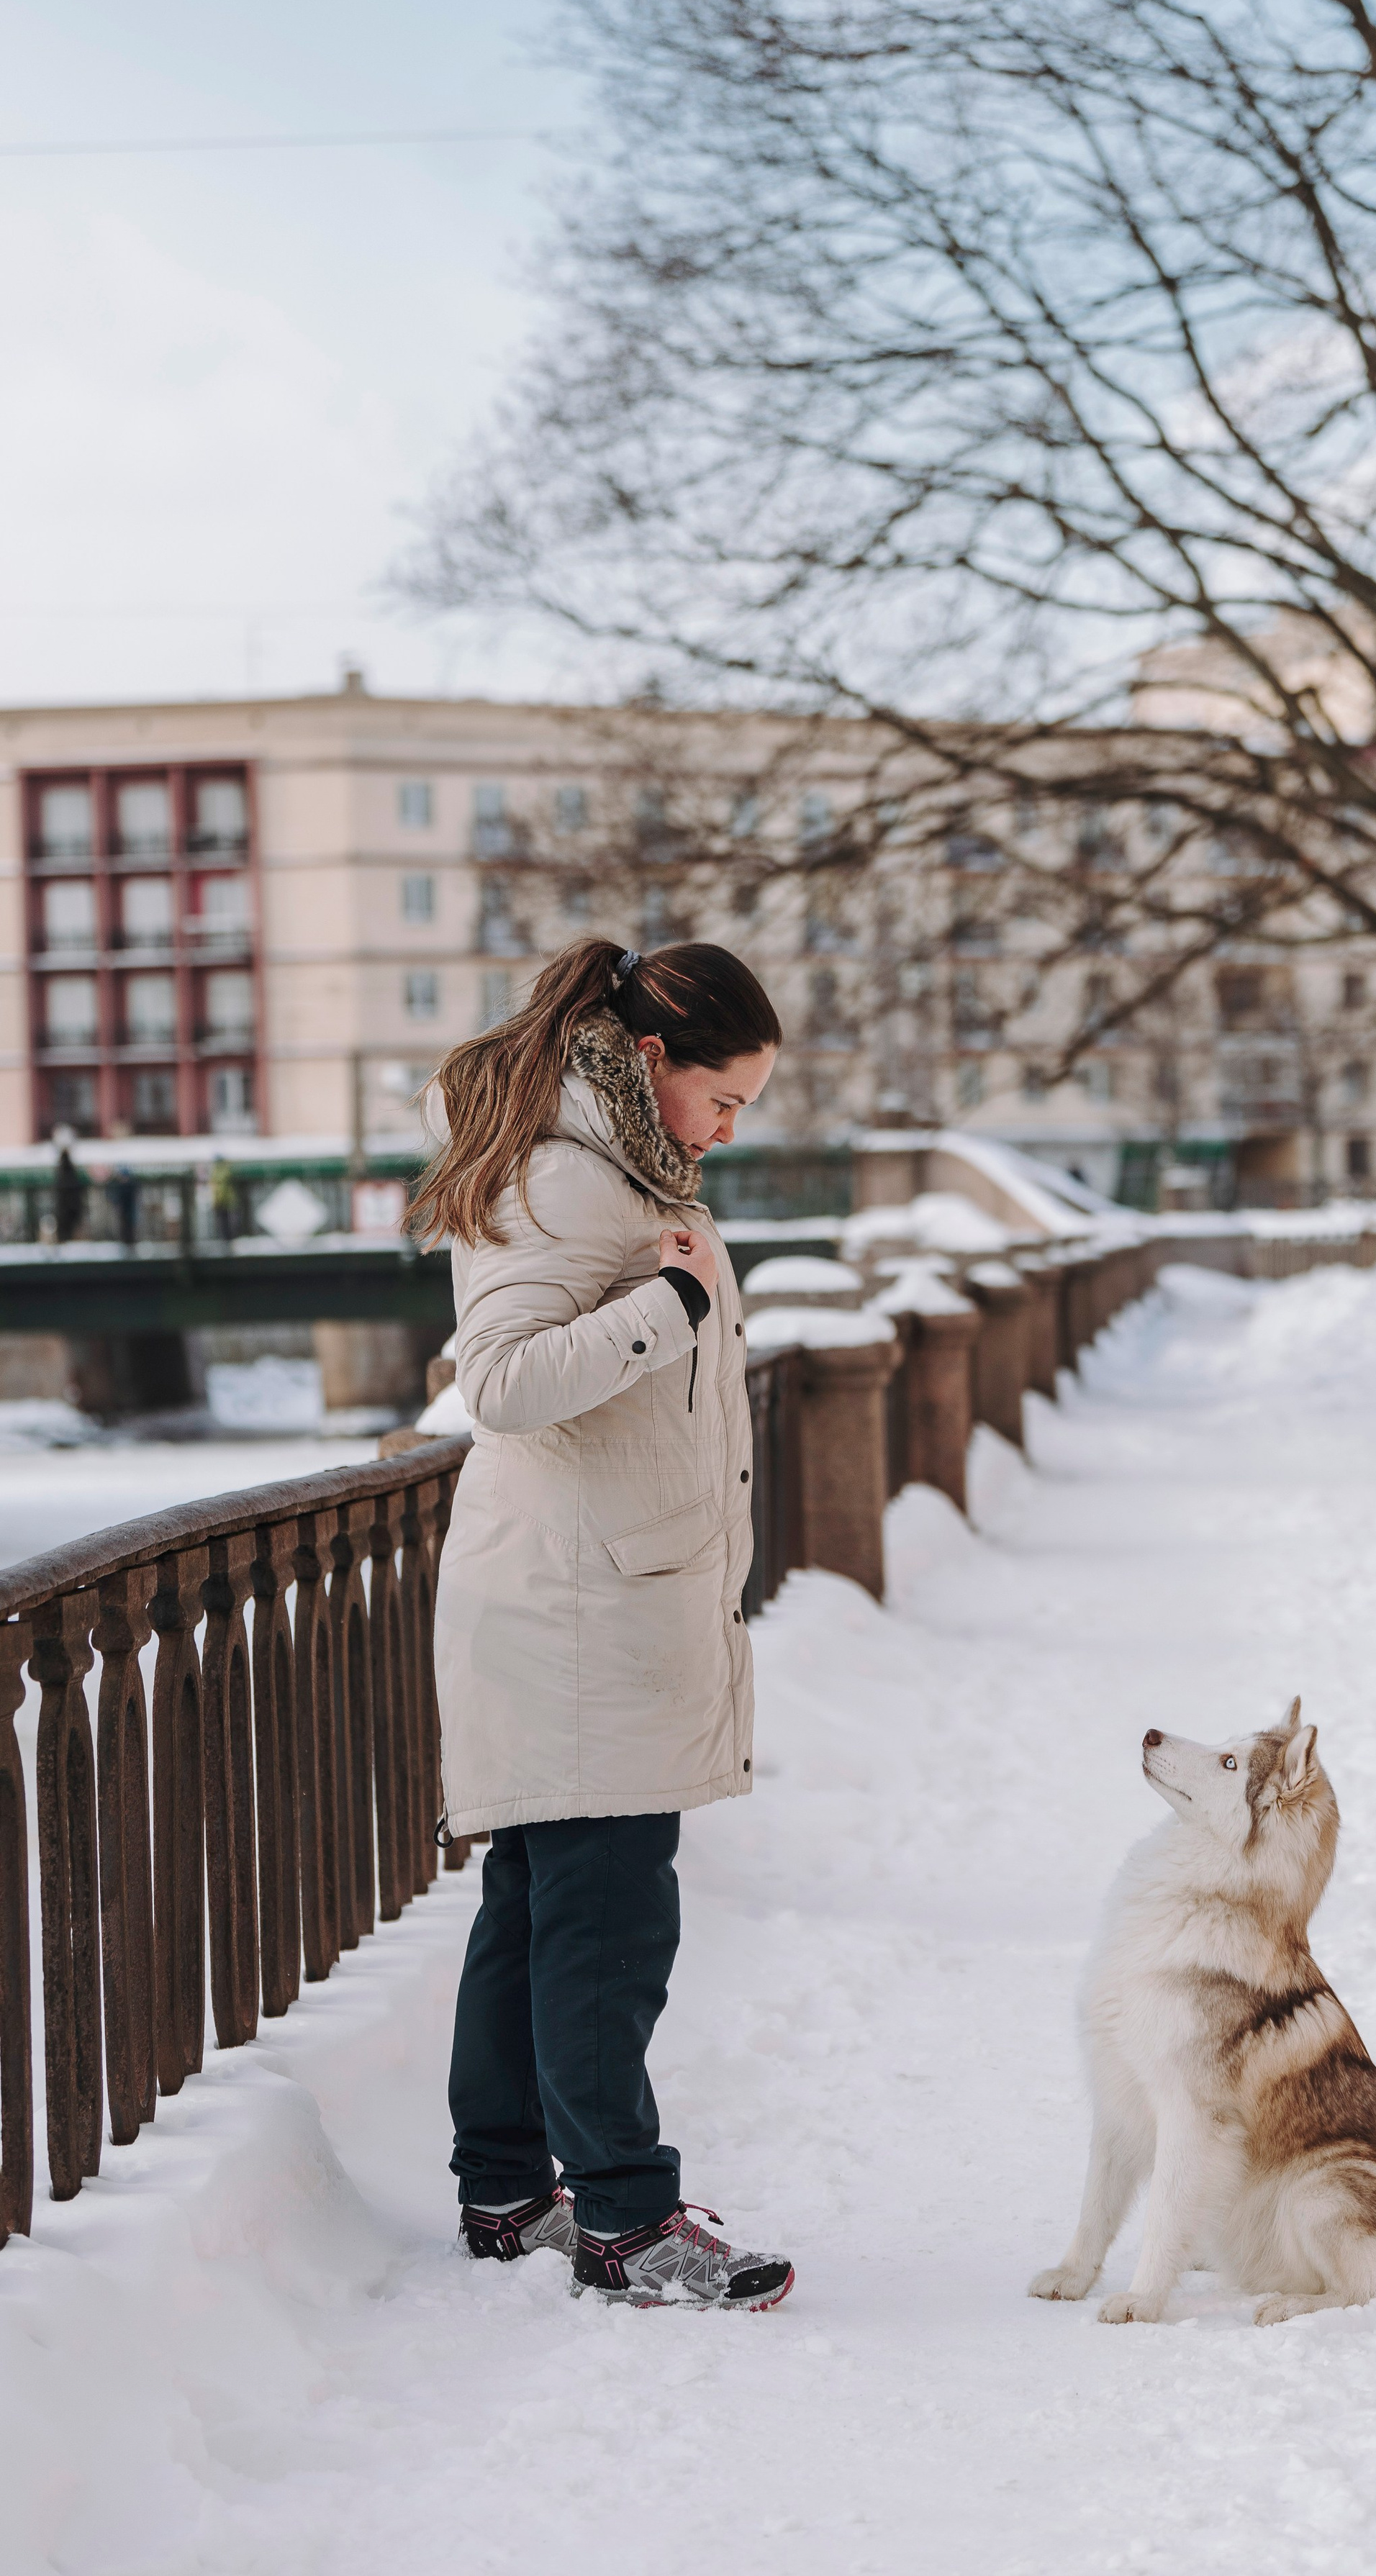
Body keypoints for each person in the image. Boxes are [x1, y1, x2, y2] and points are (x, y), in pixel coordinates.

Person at [412, 937, 794, 2310]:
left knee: (538, 1910)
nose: (729, 1129)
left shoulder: (611, 1165)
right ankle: (628, 2221)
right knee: (606, 1931)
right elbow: (503, 1383)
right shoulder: (567, 1176)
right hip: (577, 1613)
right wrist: (672, 1302)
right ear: (648, 1057)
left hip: (592, 1595)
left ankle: (508, 2191)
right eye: (723, 1097)